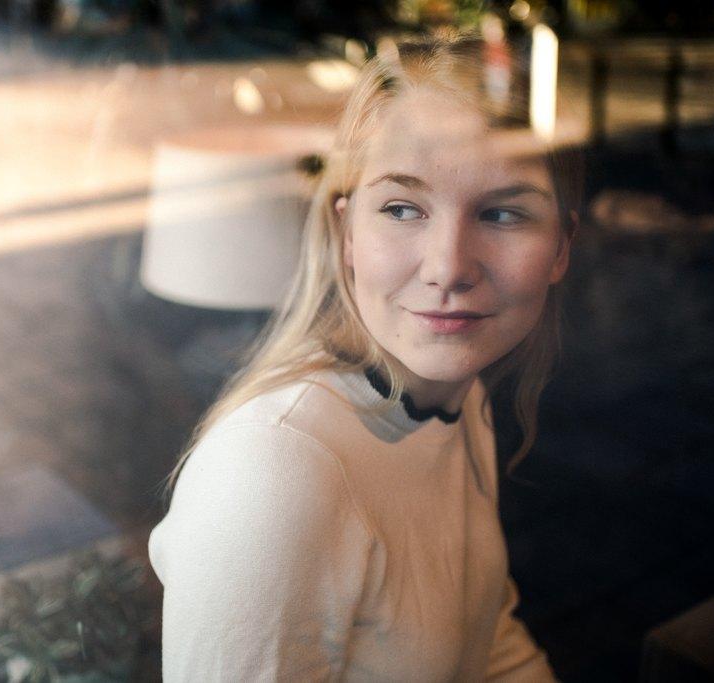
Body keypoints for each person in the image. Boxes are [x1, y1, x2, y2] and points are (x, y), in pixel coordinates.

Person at [148, 34, 581, 681]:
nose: (449, 268)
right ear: (348, 234)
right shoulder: (273, 473)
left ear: (561, 250)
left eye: (502, 212)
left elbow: (491, 639)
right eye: (403, 208)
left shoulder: (463, 400)